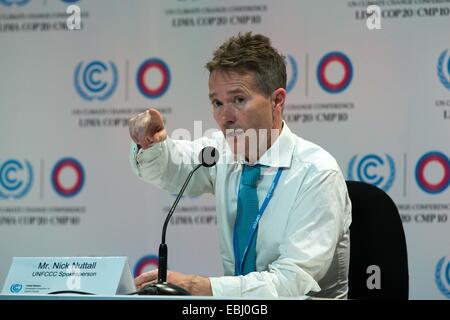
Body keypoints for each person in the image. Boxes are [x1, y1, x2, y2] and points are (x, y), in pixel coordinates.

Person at [128, 32, 351, 298]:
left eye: (238, 100)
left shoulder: (316, 174)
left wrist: (200, 288)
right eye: (217, 103)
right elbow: (170, 168)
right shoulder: (220, 154)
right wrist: (149, 143)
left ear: (277, 101)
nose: (225, 117)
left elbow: (291, 284)